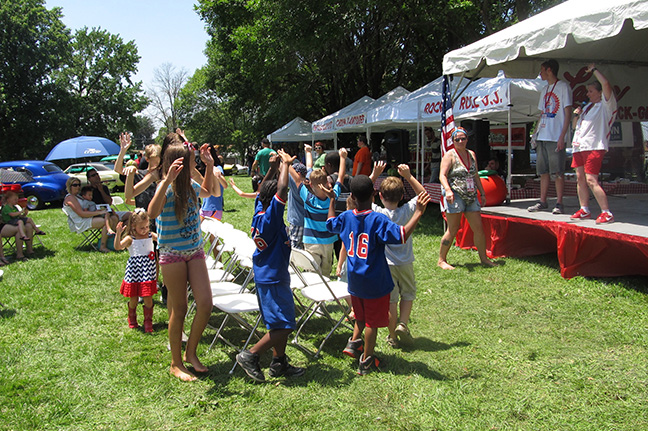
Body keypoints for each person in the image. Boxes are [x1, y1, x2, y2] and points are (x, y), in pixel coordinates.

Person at [325, 175, 430, 375]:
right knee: (372, 322)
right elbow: (401, 236)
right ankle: (367, 359)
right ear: (374, 195)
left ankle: (354, 343)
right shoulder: (377, 219)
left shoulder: (347, 217)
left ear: (352, 197)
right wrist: (417, 213)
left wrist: (332, 199)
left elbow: (330, 223)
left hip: (354, 280)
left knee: (361, 315)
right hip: (374, 281)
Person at [148, 132, 215, 382]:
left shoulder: (191, 186)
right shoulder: (164, 188)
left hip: (194, 251)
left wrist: (209, 165)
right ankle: (175, 363)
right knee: (180, 308)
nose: (193, 164)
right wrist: (167, 181)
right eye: (190, 161)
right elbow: (152, 212)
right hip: (172, 254)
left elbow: (209, 191)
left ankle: (191, 353)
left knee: (206, 304)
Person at [235, 150, 305, 382]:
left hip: (266, 275)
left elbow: (264, 189)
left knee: (278, 321)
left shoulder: (259, 209)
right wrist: (285, 164)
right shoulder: (272, 217)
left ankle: (279, 362)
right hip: (274, 278)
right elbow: (282, 190)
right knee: (285, 324)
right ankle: (250, 355)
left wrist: (273, 168)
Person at [368, 162, 427, 348]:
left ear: (379, 195)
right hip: (406, 261)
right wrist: (409, 176)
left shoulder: (377, 213)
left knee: (391, 300)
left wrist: (374, 175)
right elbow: (423, 194)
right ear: (402, 196)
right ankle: (403, 323)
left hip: (386, 264)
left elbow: (360, 195)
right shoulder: (408, 210)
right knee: (408, 294)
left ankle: (392, 336)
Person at [438, 128, 496, 270]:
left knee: (479, 228)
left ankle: (484, 258)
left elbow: (475, 175)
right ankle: (441, 260)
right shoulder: (449, 156)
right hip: (455, 195)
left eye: (463, 139)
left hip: (470, 195)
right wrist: (448, 190)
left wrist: (482, 193)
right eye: (457, 139)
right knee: (453, 229)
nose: (460, 141)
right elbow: (442, 175)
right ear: (452, 141)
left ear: (467, 140)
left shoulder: (471, 154)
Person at [569, 65, 617, 224]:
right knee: (580, 178)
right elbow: (575, 126)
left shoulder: (606, 105)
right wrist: (576, 115)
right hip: (579, 146)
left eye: (591, 91)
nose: (588, 94)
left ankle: (606, 212)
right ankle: (585, 209)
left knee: (591, 180)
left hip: (594, 146)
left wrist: (594, 70)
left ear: (600, 93)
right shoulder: (587, 106)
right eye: (587, 92)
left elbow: (606, 84)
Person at [288, 148, 347, 277]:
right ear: (327, 182)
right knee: (325, 274)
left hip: (310, 241)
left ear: (310, 185)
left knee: (313, 274)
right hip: (328, 242)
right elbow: (340, 177)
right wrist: (343, 158)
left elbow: (297, 180)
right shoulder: (333, 197)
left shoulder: (308, 199)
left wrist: (287, 164)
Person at [528, 59, 572, 215]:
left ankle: (559, 203)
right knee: (543, 171)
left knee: (557, 171)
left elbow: (568, 113)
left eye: (542, 70)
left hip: (555, 136)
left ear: (549, 70)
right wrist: (535, 132)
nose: (540, 73)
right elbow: (542, 113)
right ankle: (543, 201)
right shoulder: (545, 89)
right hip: (543, 135)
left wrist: (563, 136)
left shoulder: (563, 87)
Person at [114, 209, 158, 332]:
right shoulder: (130, 239)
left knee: (148, 297)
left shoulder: (150, 235)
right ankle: (132, 316)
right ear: (133, 226)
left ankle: (148, 321)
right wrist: (118, 233)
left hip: (148, 272)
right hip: (135, 272)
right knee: (134, 299)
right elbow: (118, 247)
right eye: (142, 227)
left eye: (147, 226)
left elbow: (161, 239)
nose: (145, 230)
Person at [63, 177, 112, 253]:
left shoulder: (78, 196)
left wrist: (98, 211)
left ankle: (111, 243)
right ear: (70, 186)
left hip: (88, 217)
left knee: (112, 218)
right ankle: (103, 246)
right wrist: (98, 213)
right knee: (105, 222)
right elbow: (81, 214)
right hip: (80, 222)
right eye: (75, 185)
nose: (78, 187)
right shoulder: (70, 198)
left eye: (79, 185)